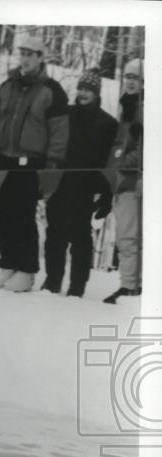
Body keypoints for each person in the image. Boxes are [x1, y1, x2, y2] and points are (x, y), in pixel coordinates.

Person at [0, 34, 69, 293]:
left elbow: (59, 130)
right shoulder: (7, 86)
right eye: (23, 53)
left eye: (31, 54)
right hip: (6, 159)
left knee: (23, 216)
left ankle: (27, 269)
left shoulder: (51, 90)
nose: (25, 58)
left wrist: (53, 162)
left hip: (32, 162)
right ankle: (8, 262)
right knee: (4, 214)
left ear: (41, 58)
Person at [41, 70, 117, 297]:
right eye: (81, 88)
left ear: (97, 94)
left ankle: (77, 285)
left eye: (89, 90)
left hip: (86, 188)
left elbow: (109, 162)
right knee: (55, 233)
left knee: (80, 237)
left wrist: (106, 194)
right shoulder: (66, 114)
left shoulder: (108, 123)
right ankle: (52, 280)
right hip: (60, 183)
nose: (83, 93)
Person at [103, 58, 143, 303]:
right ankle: (132, 285)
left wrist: (120, 163)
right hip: (121, 181)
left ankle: (131, 287)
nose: (129, 81)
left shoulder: (144, 109)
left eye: (135, 78)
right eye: (127, 76)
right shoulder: (125, 107)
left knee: (129, 237)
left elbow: (145, 150)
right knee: (126, 236)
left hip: (134, 182)